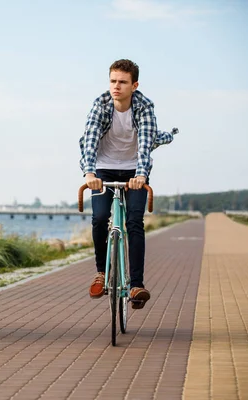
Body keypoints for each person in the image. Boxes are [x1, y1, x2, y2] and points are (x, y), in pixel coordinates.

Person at [79, 59, 177, 309]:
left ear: (134, 85)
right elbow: (89, 139)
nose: (116, 86)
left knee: (134, 221)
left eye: (122, 82)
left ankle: (136, 285)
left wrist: (141, 175)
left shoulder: (144, 107)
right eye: (113, 81)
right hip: (103, 166)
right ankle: (101, 272)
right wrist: (89, 172)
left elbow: (145, 145)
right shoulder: (101, 105)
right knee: (100, 217)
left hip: (135, 169)